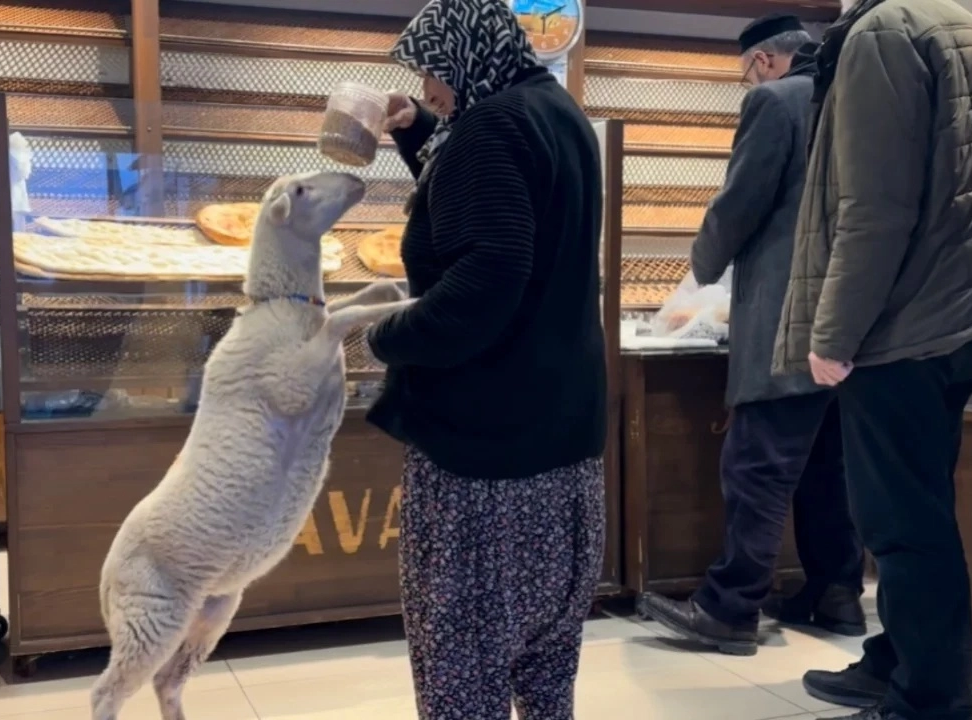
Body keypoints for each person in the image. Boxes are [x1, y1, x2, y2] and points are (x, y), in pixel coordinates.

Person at [772, 0, 972, 718]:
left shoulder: (883, 35)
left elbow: (875, 207)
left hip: (904, 321)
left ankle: (929, 698)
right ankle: (897, 658)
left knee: (900, 523)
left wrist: (833, 333)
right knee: (922, 506)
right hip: (970, 312)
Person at [364, 0, 607, 717]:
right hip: (564, 449)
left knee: (463, 671)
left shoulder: (490, 127)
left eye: (433, 72)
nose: (430, 88)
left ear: (467, 57)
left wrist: (381, 335)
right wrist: (420, 129)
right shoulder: (554, 111)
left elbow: (485, 281)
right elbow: (501, 199)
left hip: (485, 462)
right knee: (545, 665)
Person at [636, 13, 865, 658]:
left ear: (763, 60)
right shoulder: (857, 92)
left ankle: (729, 608)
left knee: (757, 466)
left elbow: (740, 202)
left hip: (787, 319)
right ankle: (837, 593)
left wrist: (701, 269)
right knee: (828, 468)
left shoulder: (775, 101)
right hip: (853, 319)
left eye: (745, 74)